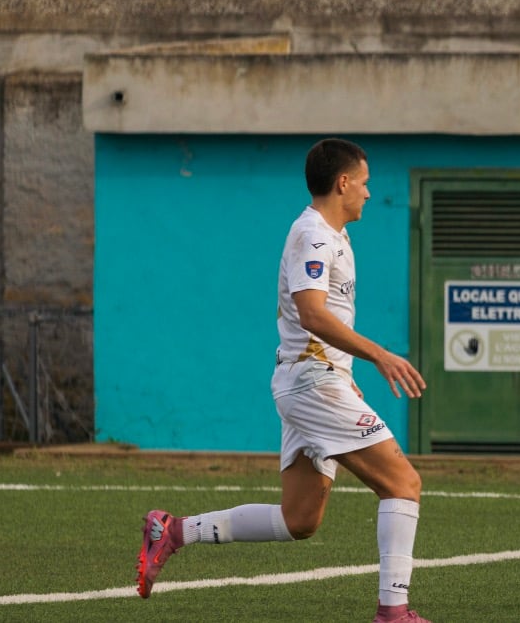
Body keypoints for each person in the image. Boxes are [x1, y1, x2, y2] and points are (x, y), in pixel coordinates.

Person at [136, 138, 432, 623]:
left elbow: (316, 322)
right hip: (312, 384)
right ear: (342, 183)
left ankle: (172, 531)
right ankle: (393, 613)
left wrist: (345, 369)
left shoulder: (332, 236)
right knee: (403, 483)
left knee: (299, 520)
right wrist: (378, 355)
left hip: (313, 379)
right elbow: (312, 313)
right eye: (364, 183)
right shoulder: (313, 234)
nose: (368, 193)